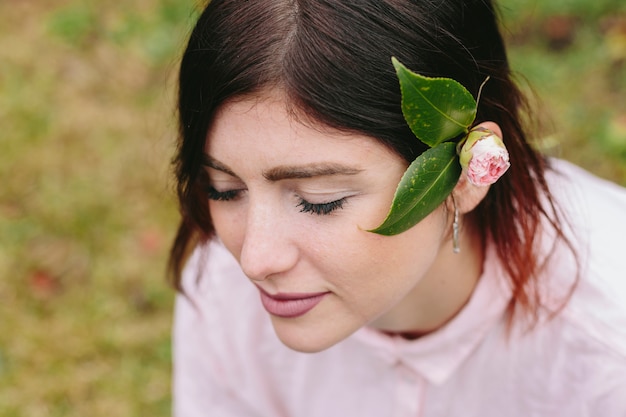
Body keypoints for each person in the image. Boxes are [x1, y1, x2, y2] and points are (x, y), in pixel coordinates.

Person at [168, 1, 626, 416]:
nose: (254, 260)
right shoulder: (221, 294)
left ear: (468, 175)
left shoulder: (605, 350)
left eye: (319, 201)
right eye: (224, 189)